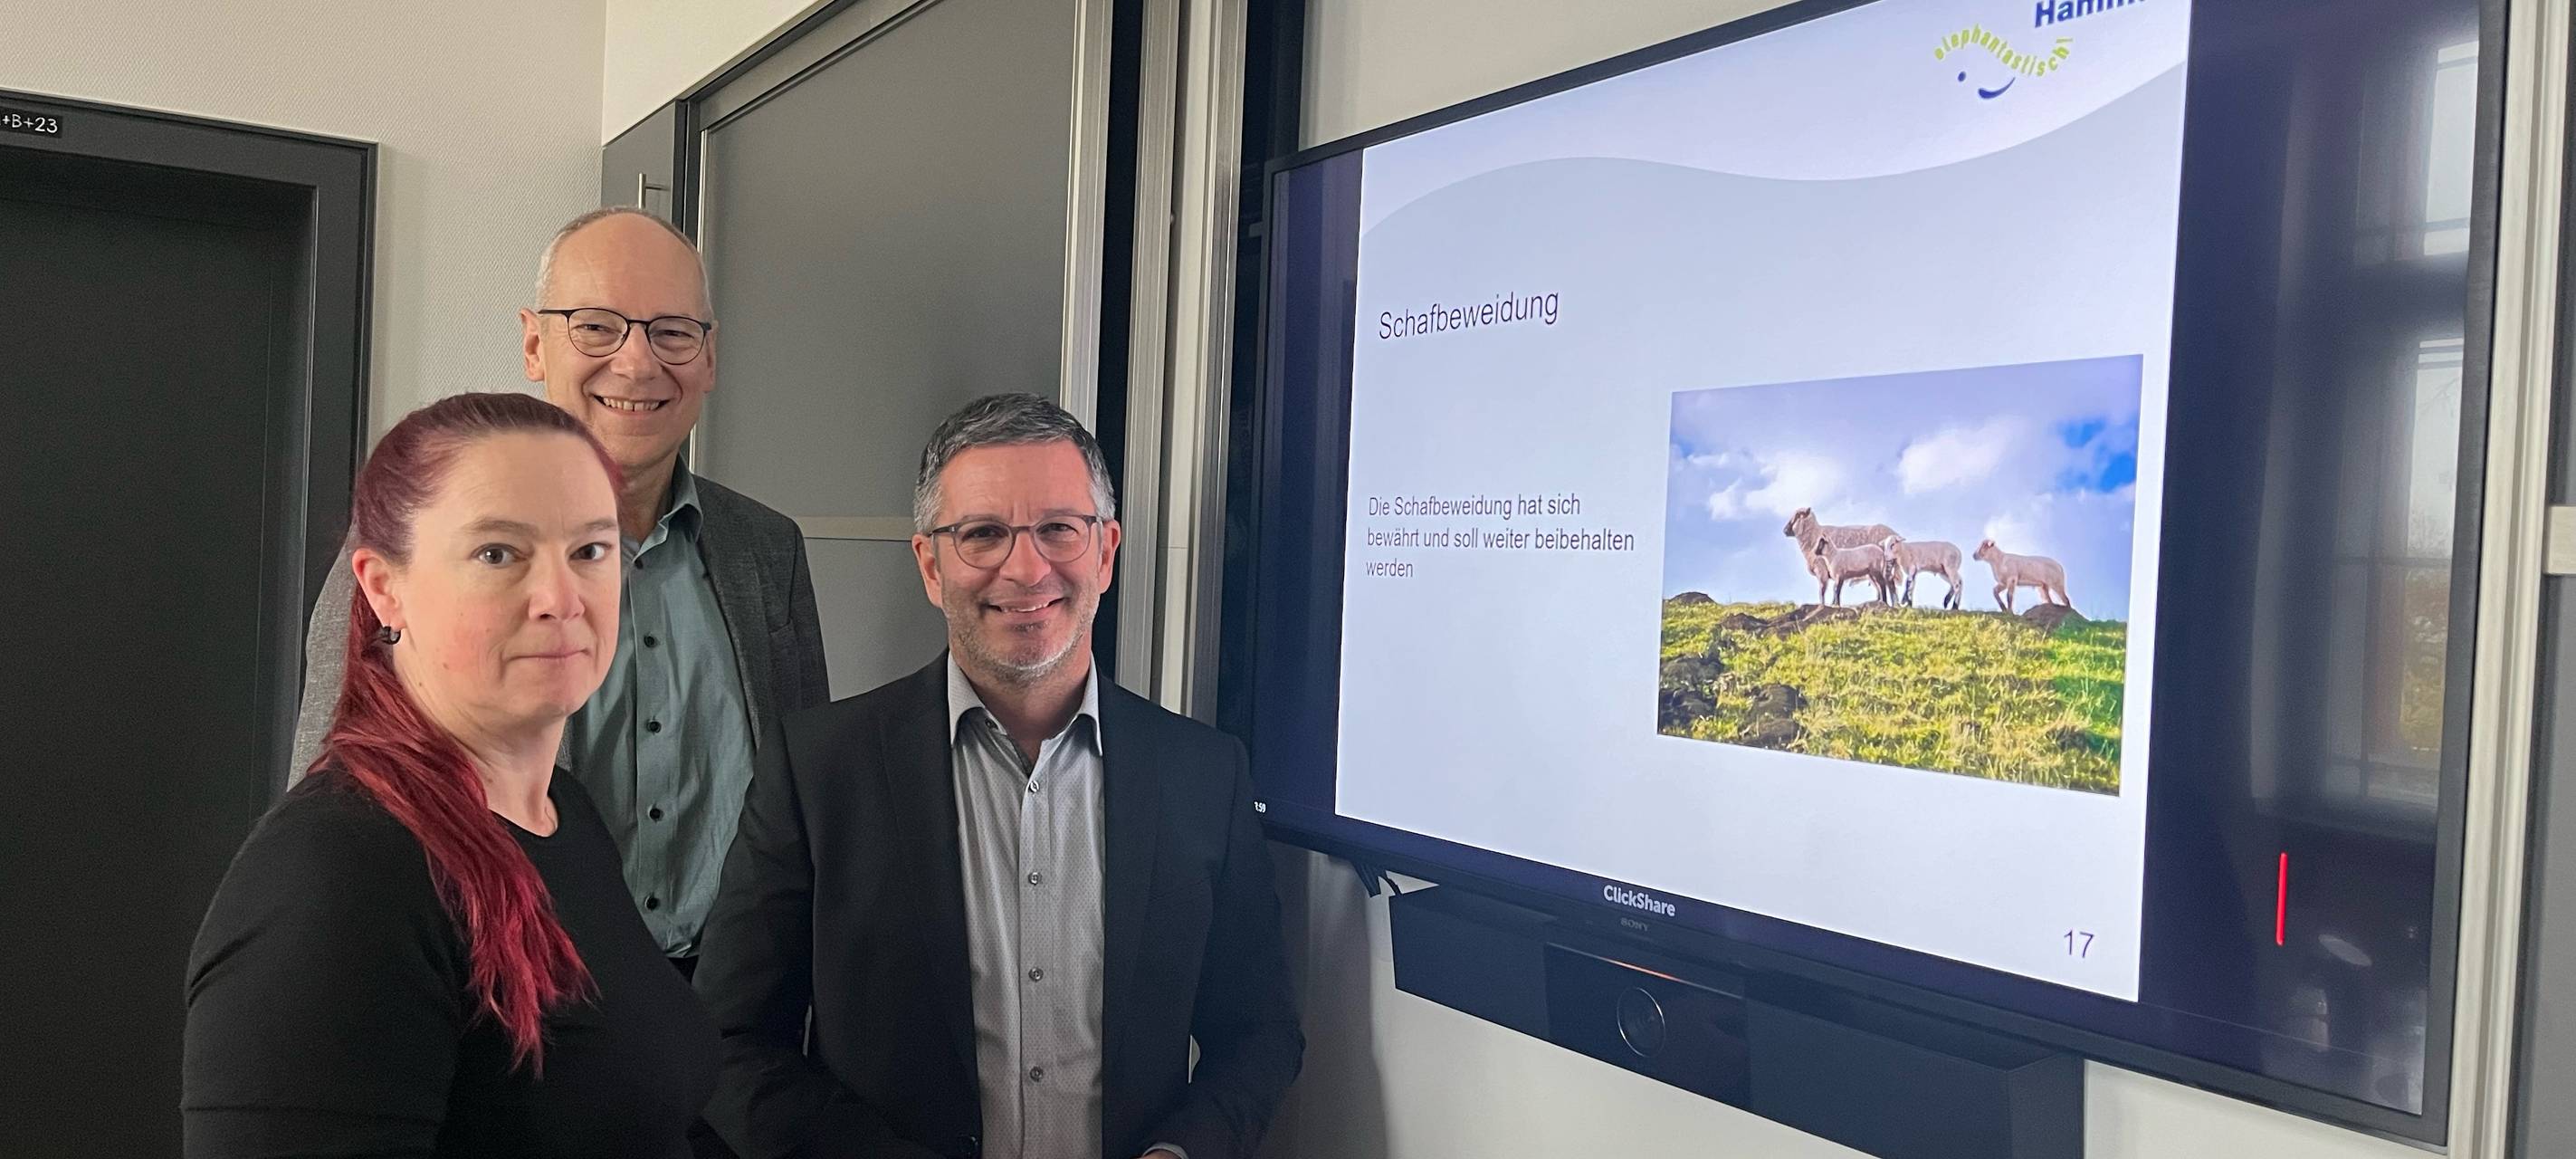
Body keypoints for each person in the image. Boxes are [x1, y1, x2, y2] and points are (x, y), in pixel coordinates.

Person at [695, 393, 1303, 1159]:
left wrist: (1183, 1152)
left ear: (1106, 551)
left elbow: (1260, 1035)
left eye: (1058, 529)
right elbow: (726, 1040)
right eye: (983, 534)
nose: (1027, 567)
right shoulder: (821, 770)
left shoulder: (1205, 777)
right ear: (930, 564)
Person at [289, 208, 828, 982]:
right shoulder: (423, 540)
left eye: (672, 332)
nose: (638, 365)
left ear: (710, 358)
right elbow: (329, 787)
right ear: (536, 344)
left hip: (730, 1011)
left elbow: (804, 794)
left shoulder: (768, 550)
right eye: (597, 327)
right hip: (513, 993)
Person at [185, 392, 716, 1157]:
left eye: (591, 551)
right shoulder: (337, 877)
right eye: (499, 553)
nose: (560, 600)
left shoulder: (560, 812)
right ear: (382, 586)